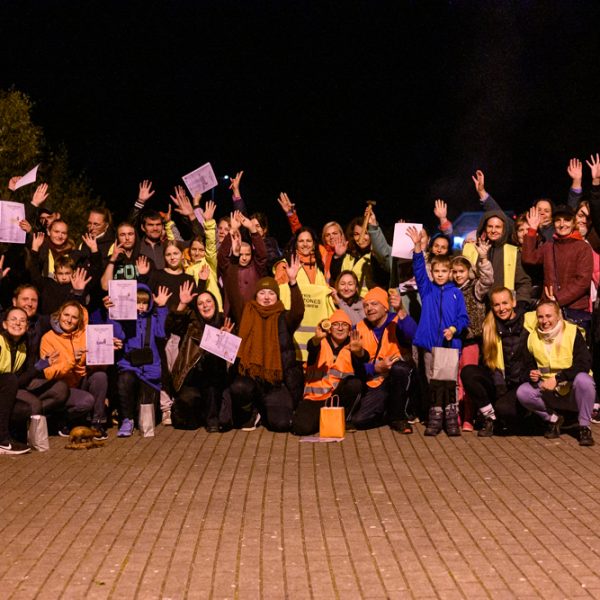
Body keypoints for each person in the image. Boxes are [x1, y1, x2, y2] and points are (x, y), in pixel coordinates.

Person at [226, 258, 304, 432]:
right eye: (262, 293)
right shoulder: (246, 312)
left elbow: (298, 311)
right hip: (250, 378)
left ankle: (264, 410)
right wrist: (234, 262)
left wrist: (293, 282)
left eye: (271, 293)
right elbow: (232, 291)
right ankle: (252, 410)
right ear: (256, 295)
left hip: (274, 382)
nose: (267, 297)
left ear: (277, 297)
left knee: (281, 424)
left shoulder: (283, 317)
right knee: (239, 388)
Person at [407, 226, 469, 436]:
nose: (440, 275)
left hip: (450, 346)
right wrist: (417, 248)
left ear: (450, 273)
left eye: (444, 271)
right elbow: (418, 270)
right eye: (437, 271)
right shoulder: (427, 290)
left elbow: (463, 318)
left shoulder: (456, 294)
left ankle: (450, 417)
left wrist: (453, 329)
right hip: (430, 345)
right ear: (432, 273)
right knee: (432, 381)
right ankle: (435, 416)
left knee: (449, 382)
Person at [517, 300, 595, 446]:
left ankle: (584, 427)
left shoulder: (572, 332)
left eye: (549, 316)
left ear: (558, 316)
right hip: (548, 391)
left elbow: (584, 364)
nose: (544, 321)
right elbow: (525, 367)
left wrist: (558, 378)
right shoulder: (532, 337)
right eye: (540, 317)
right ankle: (554, 419)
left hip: (572, 390)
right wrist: (531, 374)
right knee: (523, 392)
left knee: (585, 380)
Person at [461, 287, 537, 437]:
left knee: (504, 410)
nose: (502, 309)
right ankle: (490, 417)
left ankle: (524, 418)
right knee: (468, 372)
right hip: (499, 383)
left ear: (513, 302)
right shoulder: (489, 326)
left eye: (505, 303)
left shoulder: (529, 320)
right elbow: (488, 363)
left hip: (521, 383)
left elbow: (550, 316)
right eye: (497, 305)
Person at [40, 301, 113, 438]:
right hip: (62, 388)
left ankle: (96, 424)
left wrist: (106, 350)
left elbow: (95, 367)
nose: (69, 320)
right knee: (86, 401)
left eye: (74, 317)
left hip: (81, 381)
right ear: (59, 315)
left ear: (79, 320)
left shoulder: (86, 335)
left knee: (100, 376)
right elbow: (48, 373)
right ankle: (62, 420)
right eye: (66, 315)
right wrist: (71, 360)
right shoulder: (48, 338)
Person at [350, 287, 417, 432]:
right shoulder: (358, 328)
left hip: (401, 376)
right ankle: (389, 414)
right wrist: (375, 367)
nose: (369, 308)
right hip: (377, 380)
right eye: (366, 305)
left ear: (385, 307)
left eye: (374, 304)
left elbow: (413, 335)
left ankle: (399, 417)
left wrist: (400, 309)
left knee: (399, 369)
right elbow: (355, 367)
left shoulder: (397, 320)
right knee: (359, 421)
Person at [167, 283, 232, 432]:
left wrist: (225, 340)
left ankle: (212, 420)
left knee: (224, 418)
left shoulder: (224, 322)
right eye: (200, 303)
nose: (205, 305)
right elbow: (171, 326)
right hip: (193, 377)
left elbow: (230, 360)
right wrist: (182, 304)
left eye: (208, 301)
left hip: (217, 379)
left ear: (215, 304)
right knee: (187, 409)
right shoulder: (190, 323)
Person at [107, 284, 170, 437]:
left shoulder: (153, 319)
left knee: (146, 417)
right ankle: (126, 420)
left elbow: (162, 333)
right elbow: (118, 335)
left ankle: (136, 416)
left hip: (150, 369)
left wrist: (162, 308)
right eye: (137, 302)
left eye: (144, 303)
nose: (141, 306)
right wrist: (112, 313)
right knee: (125, 380)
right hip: (130, 365)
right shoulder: (126, 320)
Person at [522, 204, 593, 336]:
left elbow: (583, 281)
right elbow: (529, 258)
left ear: (573, 223)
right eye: (558, 220)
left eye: (566, 220)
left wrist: (557, 298)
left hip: (574, 310)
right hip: (549, 311)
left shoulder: (583, 247)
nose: (562, 224)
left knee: (574, 348)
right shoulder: (549, 246)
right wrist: (532, 230)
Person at [292, 309, 362, 436]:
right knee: (301, 428)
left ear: (349, 330)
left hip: (336, 397)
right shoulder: (320, 342)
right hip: (314, 397)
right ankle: (322, 419)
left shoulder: (353, 344)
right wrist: (316, 339)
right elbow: (311, 348)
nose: (340, 328)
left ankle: (344, 419)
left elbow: (364, 358)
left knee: (355, 383)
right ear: (329, 329)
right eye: (336, 324)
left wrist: (359, 352)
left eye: (344, 325)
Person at [451, 238, 494, 432]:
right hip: (453, 341)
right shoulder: (449, 290)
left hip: (471, 341)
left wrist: (483, 259)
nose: (458, 275)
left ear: (468, 271)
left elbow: (487, 280)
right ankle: (456, 415)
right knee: (454, 379)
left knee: (467, 379)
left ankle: (469, 416)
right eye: (454, 272)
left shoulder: (475, 288)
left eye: (461, 271)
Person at [0, 307, 33, 454]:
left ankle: (11, 437)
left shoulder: (22, 347)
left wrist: (41, 366)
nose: (18, 323)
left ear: (27, 326)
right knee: (9, 379)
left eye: (22, 320)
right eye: (13, 319)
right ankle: (2, 440)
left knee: (23, 409)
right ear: (4, 324)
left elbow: (18, 381)